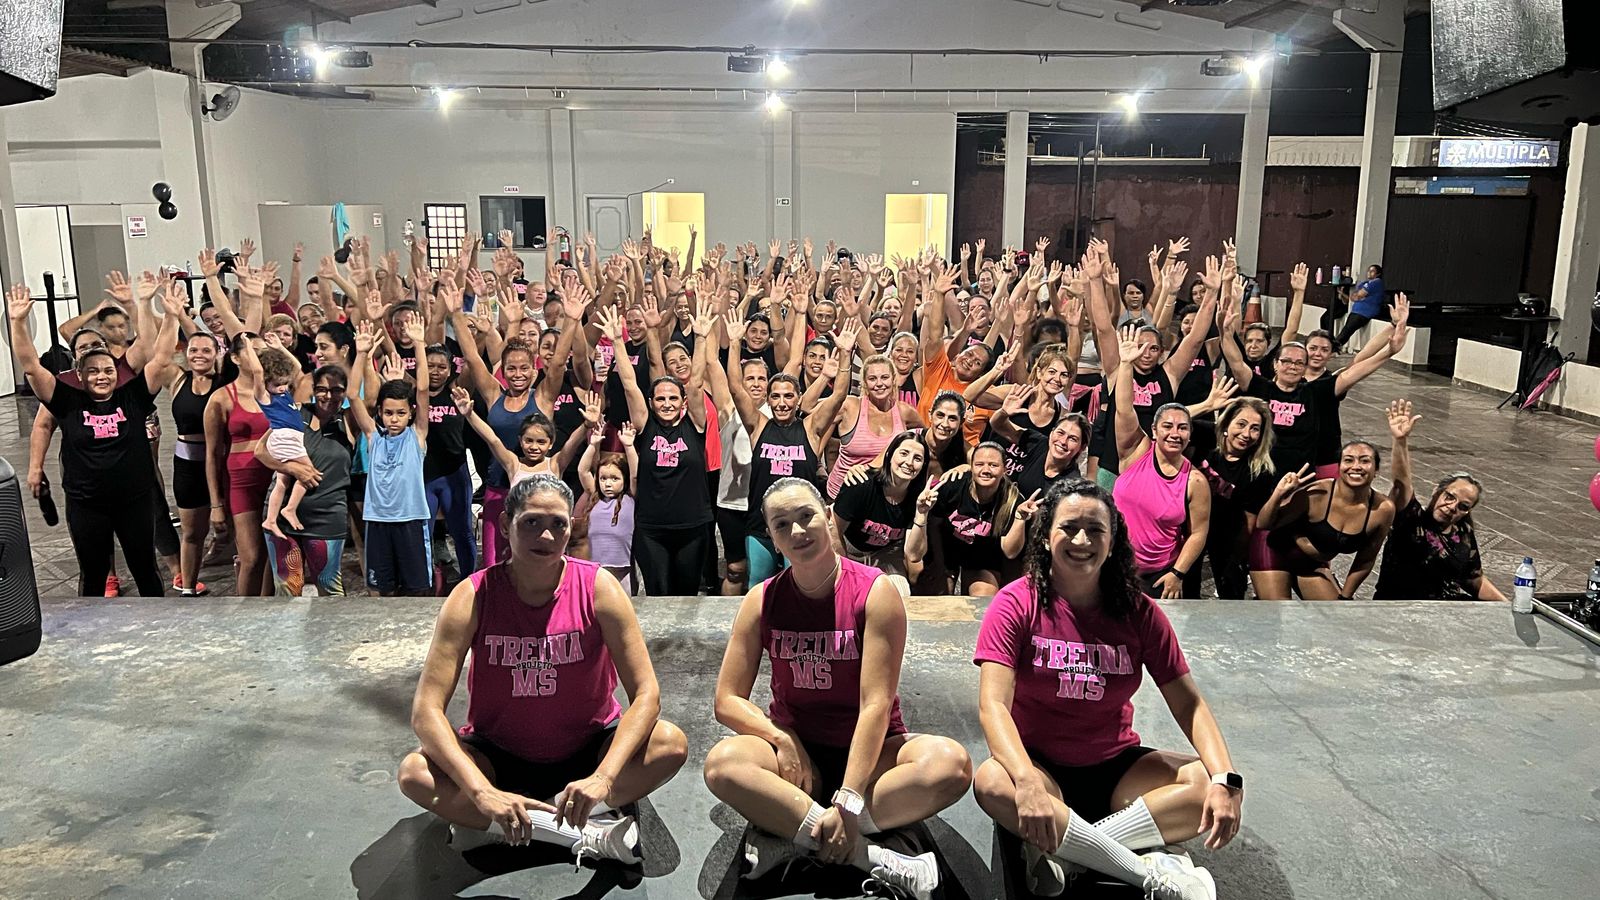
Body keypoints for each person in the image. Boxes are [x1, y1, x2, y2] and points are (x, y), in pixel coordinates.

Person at [702, 477, 973, 898]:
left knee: (950, 765)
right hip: (798, 760)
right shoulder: (761, 600)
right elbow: (727, 700)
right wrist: (781, 738)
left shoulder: (875, 592)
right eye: (781, 524)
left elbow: (876, 705)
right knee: (722, 764)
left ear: (828, 518)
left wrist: (848, 797)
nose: (797, 531)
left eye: (806, 516)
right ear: (772, 538)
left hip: (874, 754)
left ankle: (800, 834)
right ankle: (872, 855)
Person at [971, 479, 1240, 900]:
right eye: (1069, 527)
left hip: (1116, 768)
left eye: (1096, 529)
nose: (1082, 539)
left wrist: (1227, 779)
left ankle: (1065, 852)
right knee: (991, 781)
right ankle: (1142, 869)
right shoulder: (1015, 603)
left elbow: (1188, 704)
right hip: (1040, 767)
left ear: (1113, 542)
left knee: (1204, 782)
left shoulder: (1139, 612)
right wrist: (1024, 780)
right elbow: (993, 706)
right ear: (1045, 538)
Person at [397, 474, 688, 863]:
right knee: (415, 773)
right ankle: (583, 834)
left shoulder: (599, 588)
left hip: (587, 751)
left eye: (558, 524)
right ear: (505, 525)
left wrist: (603, 777)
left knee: (670, 742)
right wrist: (482, 791)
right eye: (531, 522)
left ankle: (503, 828)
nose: (546, 537)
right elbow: (426, 711)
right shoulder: (472, 596)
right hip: (498, 755)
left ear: (571, 527)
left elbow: (647, 694)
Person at [8, 280, 183, 597]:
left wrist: (167, 315)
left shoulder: (133, 396)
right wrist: (18, 322)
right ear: (80, 374)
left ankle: (160, 630)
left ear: (116, 371)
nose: (101, 376)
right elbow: (31, 367)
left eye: (107, 370)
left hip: (135, 501)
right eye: (93, 371)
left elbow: (159, 356)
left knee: (145, 569)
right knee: (93, 576)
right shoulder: (66, 399)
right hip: (87, 503)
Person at [1220, 291, 1409, 476]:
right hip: (1261, 472)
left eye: (1299, 363)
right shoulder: (1261, 387)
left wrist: (1389, 352)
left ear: (1304, 367)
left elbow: (1354, 371)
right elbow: (1236, 362)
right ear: (1275, 365)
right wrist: (1225, 332)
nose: (1292, 367)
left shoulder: (1316, 391)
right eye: (1286, 361)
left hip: (1302, 476)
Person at [725, 312, 853, 583]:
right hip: (761, 526)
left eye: (788, 396)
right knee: (758, 586)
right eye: (776, 397)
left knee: (800, 585)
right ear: (768, 401)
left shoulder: (811, 428)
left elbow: (840, 393)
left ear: (798, 399)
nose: (782, 403)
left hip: (802, 526)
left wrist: (845, 353)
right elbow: (736, 388)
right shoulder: (758, 426)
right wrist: (735, 343)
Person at [1109, 328, 1213, 599]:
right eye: (1167, 426)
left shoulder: (1195, 481)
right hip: (1114, 566)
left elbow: (1198, 533)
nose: (1175, 433)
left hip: (1159, 575)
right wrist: (1125, 364)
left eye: (1182, 428)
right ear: (1154, 431)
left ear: (1190, 434)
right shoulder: (1136, 450)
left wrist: (1177, 574)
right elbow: (1123, 408)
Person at [621, 308, 715, 596]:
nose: (667, 403)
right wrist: (615, 341)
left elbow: (696, 381)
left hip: (693, 526)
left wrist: (700, 337)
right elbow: (628, 383)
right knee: (659, 592)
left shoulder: (695, 423)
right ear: (651, 403)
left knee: (686, 594)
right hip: (652, 529)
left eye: (673, 398)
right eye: (660, 398)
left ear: (684, 403)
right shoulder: (645, 425)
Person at [1375, 400, 1504, 601]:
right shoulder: (1411, 520)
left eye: (1462, 507)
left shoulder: (1463, 533)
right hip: (1398, 608)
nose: (1452, 507)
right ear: (1437, 491)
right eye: (1449, 497)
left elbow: (1474, 578)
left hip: (1444, 611)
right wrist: (1400, 441)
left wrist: (1508, 607)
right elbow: (1402, 482)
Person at [348, 321, 434, 595]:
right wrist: (361, 354)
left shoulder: (417, 436)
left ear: (410, 412)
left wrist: (419, 345)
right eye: (388, 413)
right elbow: (352, 394)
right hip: (378, 520)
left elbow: (421, 390)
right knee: (381, 589)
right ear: (380, 414)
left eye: (400, 413)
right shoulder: (374, 436)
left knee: (416, 589)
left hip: (411, 520)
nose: (394, 419)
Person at [1251, 441, 1395, 601]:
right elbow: (1263, 524)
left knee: (1335, 619)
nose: (1356, 466)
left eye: (1365, 460)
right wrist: (1278, 494)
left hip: (1311, 564)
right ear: (1339, 467)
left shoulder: (1383, 509)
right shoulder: (1318, 493)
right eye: (1348, 460)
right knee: (1278, 617)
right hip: (1274, 549)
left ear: (1376, 470)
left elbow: (1366, 559)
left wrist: (1345, 597)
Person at [911, 443, 1036, 597]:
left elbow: (1010, 552)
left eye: (993, 465)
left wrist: (1020, 519)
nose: (986, 470)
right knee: (936, 596)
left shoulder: (1012, 501)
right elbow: (933, 527)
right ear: (971, 467)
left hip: (982, 560)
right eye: (979, 464)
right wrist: (938, 565)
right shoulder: (953, 486)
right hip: (945, 553)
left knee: (984, 597)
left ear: (1005, 469)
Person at [257, 394, 352, 597]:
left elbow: (360, 394)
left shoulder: (348, 420)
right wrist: (291, 467)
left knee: (330, 589)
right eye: (322, 389)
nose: (328, 395)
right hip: (283, 522)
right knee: (287, 588)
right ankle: (289, 630)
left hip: (327, 517)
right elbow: (260, 451)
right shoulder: (294, 415)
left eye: (335, 389)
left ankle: (332, 630)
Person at [166, 330, 234, 595]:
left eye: (206, 350)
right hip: (187, 466)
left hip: (220, 464)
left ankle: (248, 590)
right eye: (194, 350)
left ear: (217, 353)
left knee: (232, 530)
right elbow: (153, 350)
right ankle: (189, 589)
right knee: (192, 533)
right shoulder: (176, 379)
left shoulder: (226, 382)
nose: (199, 356)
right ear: (186, 353)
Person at [832, 430, 933, 594]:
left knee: (899, 594)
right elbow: (834, 529)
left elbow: (914, 555)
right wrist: (845, 570)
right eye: (904, 453)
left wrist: (922, 514)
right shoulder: (861, 484)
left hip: (887, 553)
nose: (909, 462)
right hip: (850, 550)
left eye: (917, 458)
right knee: (849, 594)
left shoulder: (919, 497)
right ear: (889, 456)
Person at [1194, 398, 1276, 600]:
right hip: (1192, 529)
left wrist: (1236, 560)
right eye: (1241, 424)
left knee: (1231, 594)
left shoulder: (1260, 471)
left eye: (1255, 429)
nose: (1246, 434)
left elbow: (1249, 523)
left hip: (1227, 537)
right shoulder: (1206, 439)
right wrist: (1207, 405)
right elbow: (1167, 417)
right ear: (1226, 423)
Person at [238, 335, 314, 539]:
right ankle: (289, 508)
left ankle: (271, 518)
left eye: (284, 383)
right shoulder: (266, 396)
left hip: (290, 439)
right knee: (309, 473)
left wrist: (280, 347)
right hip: (284, 439)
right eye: (277, 384)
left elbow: (296, 367)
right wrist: (249, 347)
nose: (282, 387)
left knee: (282, 482)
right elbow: (257, 371)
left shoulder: (284, 393)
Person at [578, 424, 639, 593]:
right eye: (603, 478)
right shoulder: (595, 496)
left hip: (624, 571)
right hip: (598, 571)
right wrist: (592, 445)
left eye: (614, 478)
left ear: (624, 480)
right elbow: (583, 471)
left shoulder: (630, 498)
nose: (608, 484)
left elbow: (635, 474)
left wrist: (629, 446)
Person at [1335, 264, 1385, 350]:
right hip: (1357, 311)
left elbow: (1358, 295)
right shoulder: (1365, 283)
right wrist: (1359, 295)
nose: (1369, 273)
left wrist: (1359, 296)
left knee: (1347, 330)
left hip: (1364, 313)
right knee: (1347, 330)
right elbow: (1353, 297)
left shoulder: (1376, 283)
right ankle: (1336, 346)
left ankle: (1334, 346)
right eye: (1368, 271)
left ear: (1378, 274)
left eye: (1372, 271)